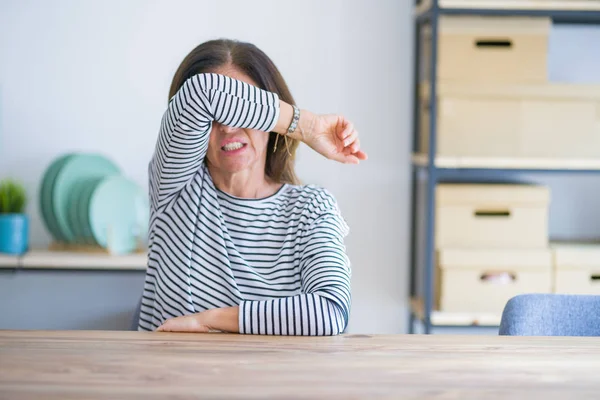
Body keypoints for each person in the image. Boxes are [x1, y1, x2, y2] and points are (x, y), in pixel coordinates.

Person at [137, 39, 367, 336]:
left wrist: (209, 320)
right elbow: (200, 92)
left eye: (242, 113)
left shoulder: (311, 208)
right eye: (215, 115)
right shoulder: (175, 187)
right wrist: (307, 126)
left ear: (272, 120)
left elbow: (330, 311)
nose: (228, 128)